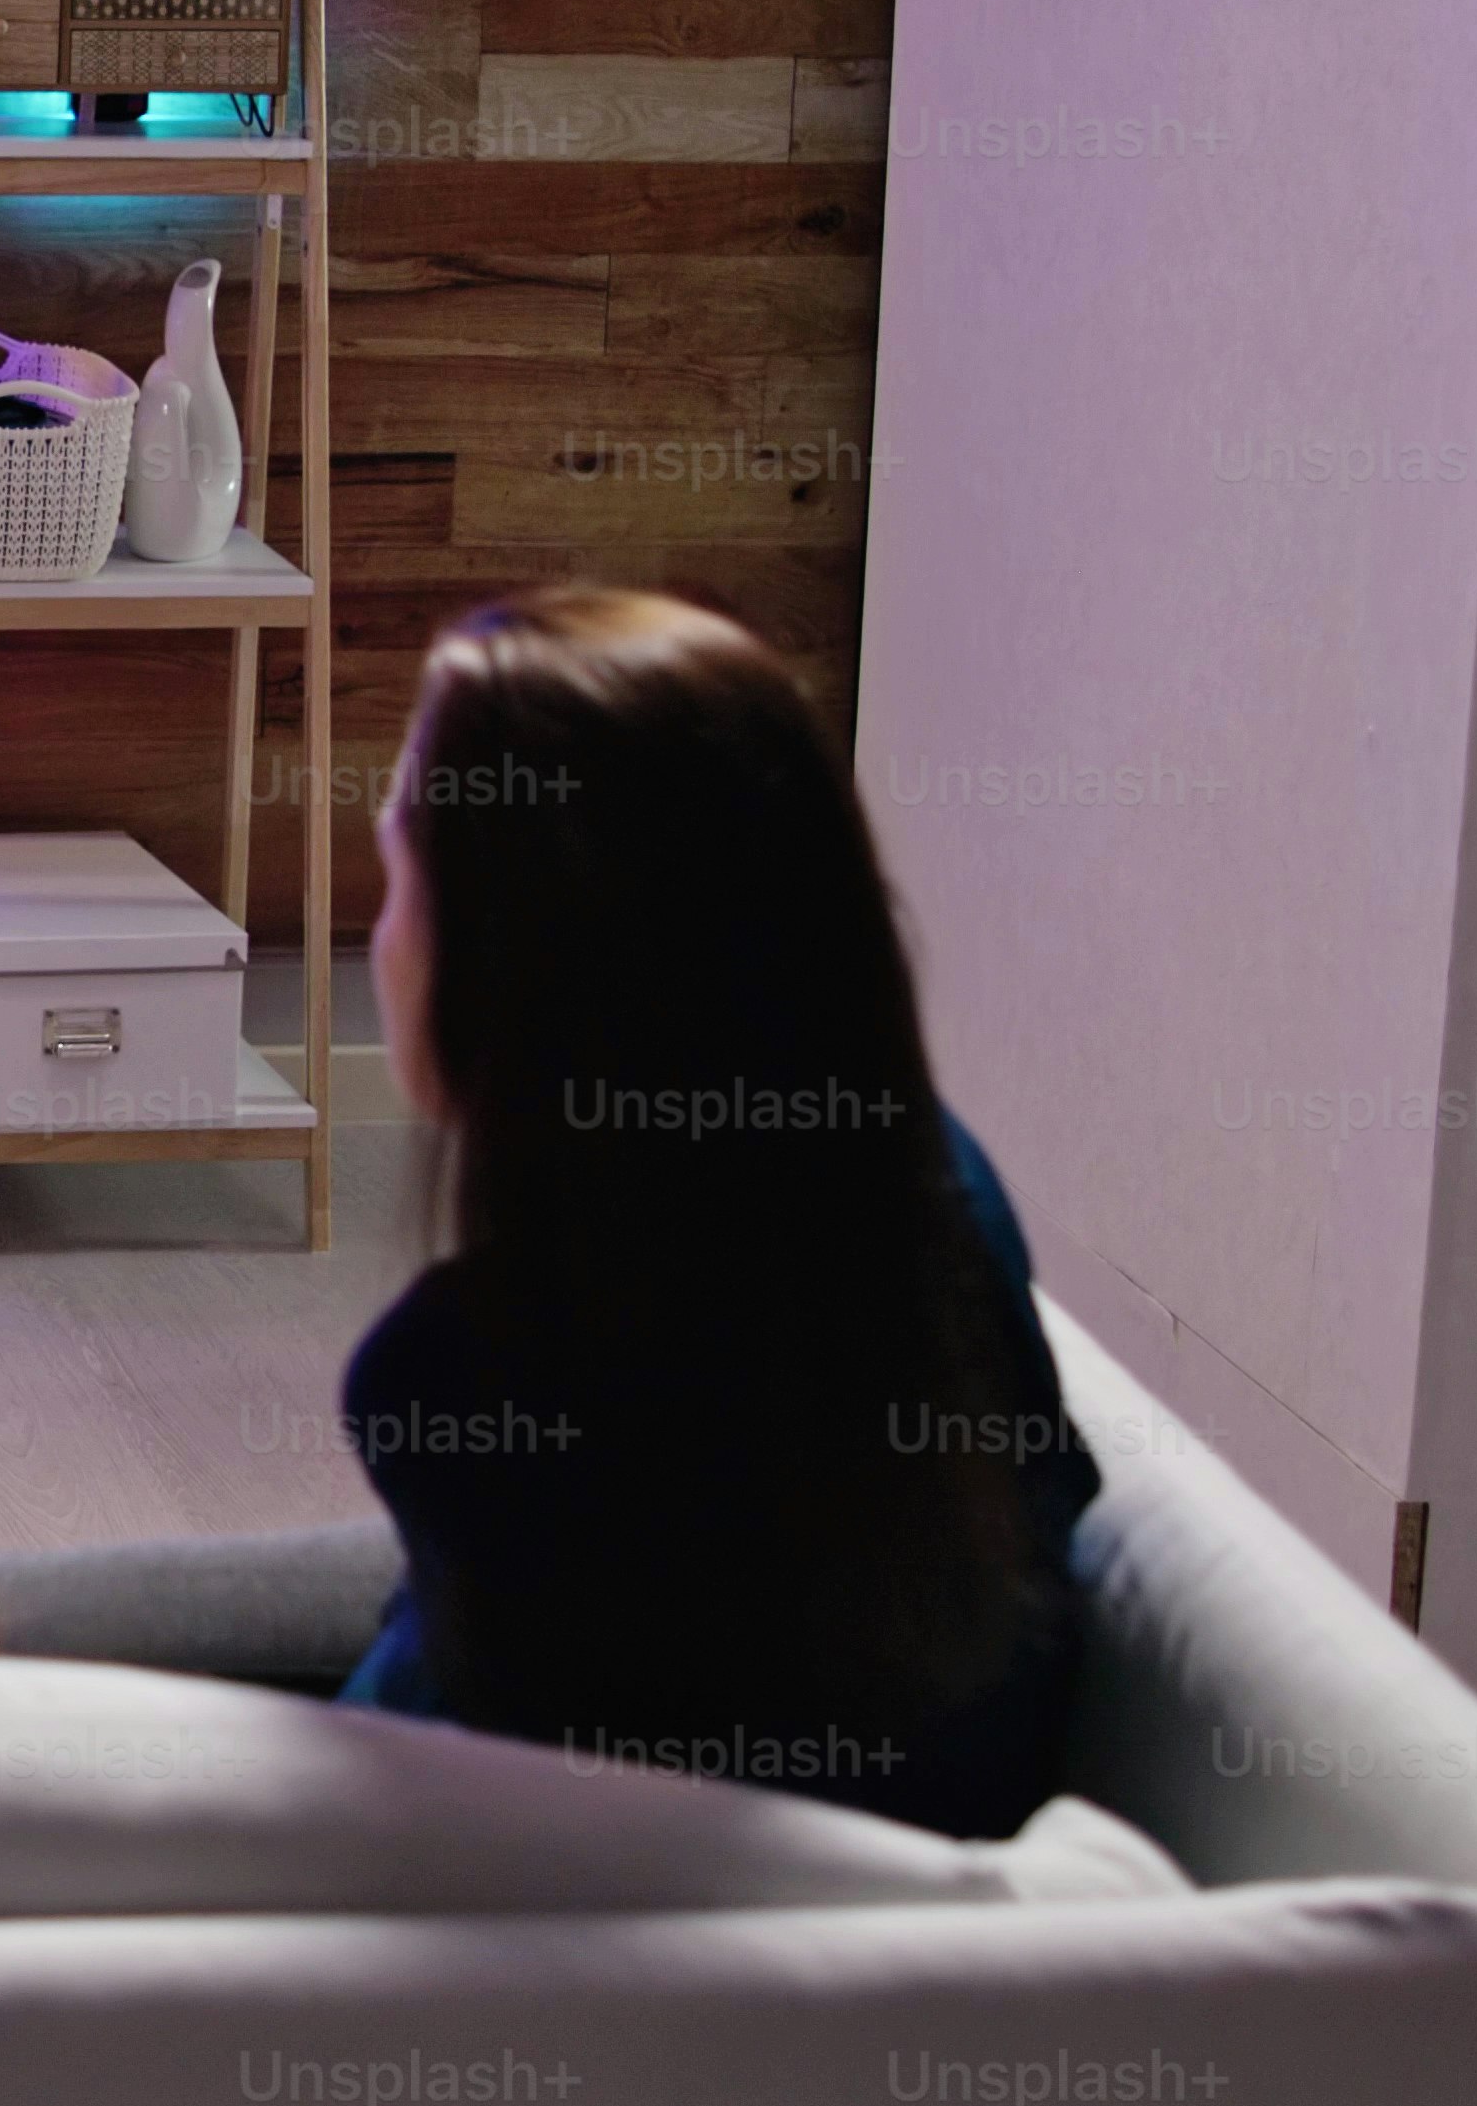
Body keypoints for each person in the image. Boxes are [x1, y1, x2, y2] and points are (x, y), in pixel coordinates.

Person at [317, 583, 1096, 1835]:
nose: (380, 924)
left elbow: (437, 1828)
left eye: (402, 859)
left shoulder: (475, 1384)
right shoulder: (940, 1195)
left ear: (513, 964)